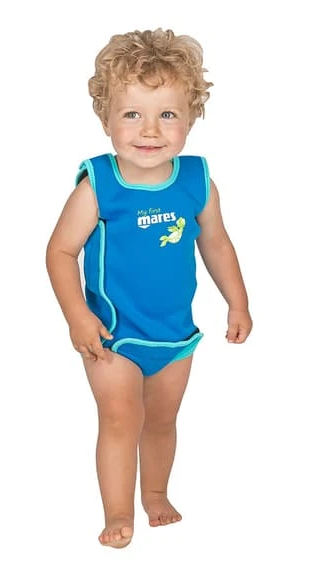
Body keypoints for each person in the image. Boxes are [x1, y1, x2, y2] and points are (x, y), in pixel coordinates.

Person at [45, 28, 252, 549]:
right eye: (133, 114)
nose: (151, 130)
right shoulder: (99, 185)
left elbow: (217, 244)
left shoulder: (196, 181)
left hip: (175, 335)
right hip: (111, 336)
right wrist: (77, 316)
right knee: (121, 419)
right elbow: (60, 252)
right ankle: (118, 512)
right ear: (106, 119)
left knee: (161, 420)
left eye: (168, 114)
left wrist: (238, 301)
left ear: (191, 117)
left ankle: (155, 494)